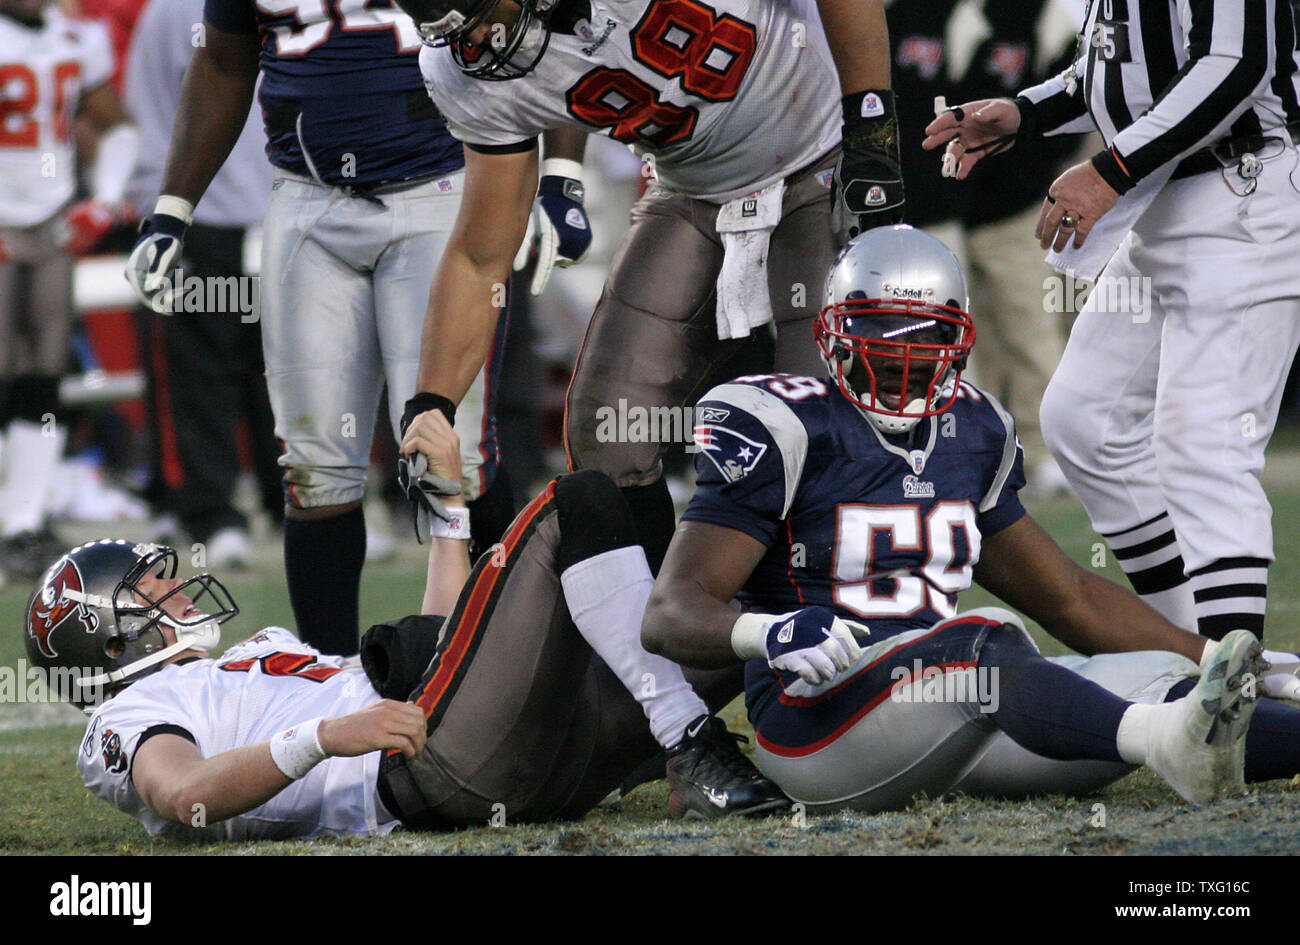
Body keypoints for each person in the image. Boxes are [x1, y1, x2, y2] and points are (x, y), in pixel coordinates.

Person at [640, 226, 1300, 812]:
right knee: (986, 639)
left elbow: (1069, 596)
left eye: (925, 337)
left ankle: (1197, 732)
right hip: (820, 724)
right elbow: (670, 612)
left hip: (955, 719)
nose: (902, 358)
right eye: (881, 333)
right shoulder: (786, 425)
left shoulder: (974, 429)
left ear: (957, 340)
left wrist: (1226, 663)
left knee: (1170, 681)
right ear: (831, 334)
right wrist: (770, 631)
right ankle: (1162, 744)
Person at [27, 411, 785, 839]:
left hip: (502, 740)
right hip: (434, 768)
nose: (181, 591)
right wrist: (321, 738)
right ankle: (687, 743)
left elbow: (446, 644)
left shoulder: (252, 652)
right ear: (114, 639)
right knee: (576, 502)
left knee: (740, 607)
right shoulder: (129, 714)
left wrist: (448, 504)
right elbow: (181, 791)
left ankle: (772, 725)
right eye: (154, 589)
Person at [393, 0, 907, 578]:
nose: (481, 42)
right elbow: (480, 255)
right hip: (693, 188)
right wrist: (432, 402)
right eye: (456, 31)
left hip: (822, 154)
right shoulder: (460, 69)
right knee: (607, 432)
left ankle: (852, 630)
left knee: (821, 426)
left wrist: (872, 128)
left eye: (484, 15)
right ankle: (659, 642)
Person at [121, 0, 514, 655]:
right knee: (314, 469)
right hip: (306, 198)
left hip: (441, 189)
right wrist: (171, 209)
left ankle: (502, 668)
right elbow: (223, 61)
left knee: (453, 456)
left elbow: (524, 38)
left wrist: (555, 178)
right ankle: (329, 679)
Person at [922, 0, 1300, 642]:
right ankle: (1193, 647)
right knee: (1085, 422)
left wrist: (1110, 170)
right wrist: (1027, 112)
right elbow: (1119, 69)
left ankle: (1233, 680)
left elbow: (1236, 65)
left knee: (1203, 444)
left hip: (1246, 191)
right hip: (1167, 196)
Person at [124, 0, 282, 568]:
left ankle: (291, 502)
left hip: (279, 211)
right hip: (200, 215)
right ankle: (210, 514)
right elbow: (148, 109)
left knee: (283, 371)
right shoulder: (167, 14)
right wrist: (157, 209)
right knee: (197, 371)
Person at [0, 0, 138, 583]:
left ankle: (22, 521)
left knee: (45, 370)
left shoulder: (77, 35)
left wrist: (102, 200)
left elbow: (118, 126)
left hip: (51, 221)